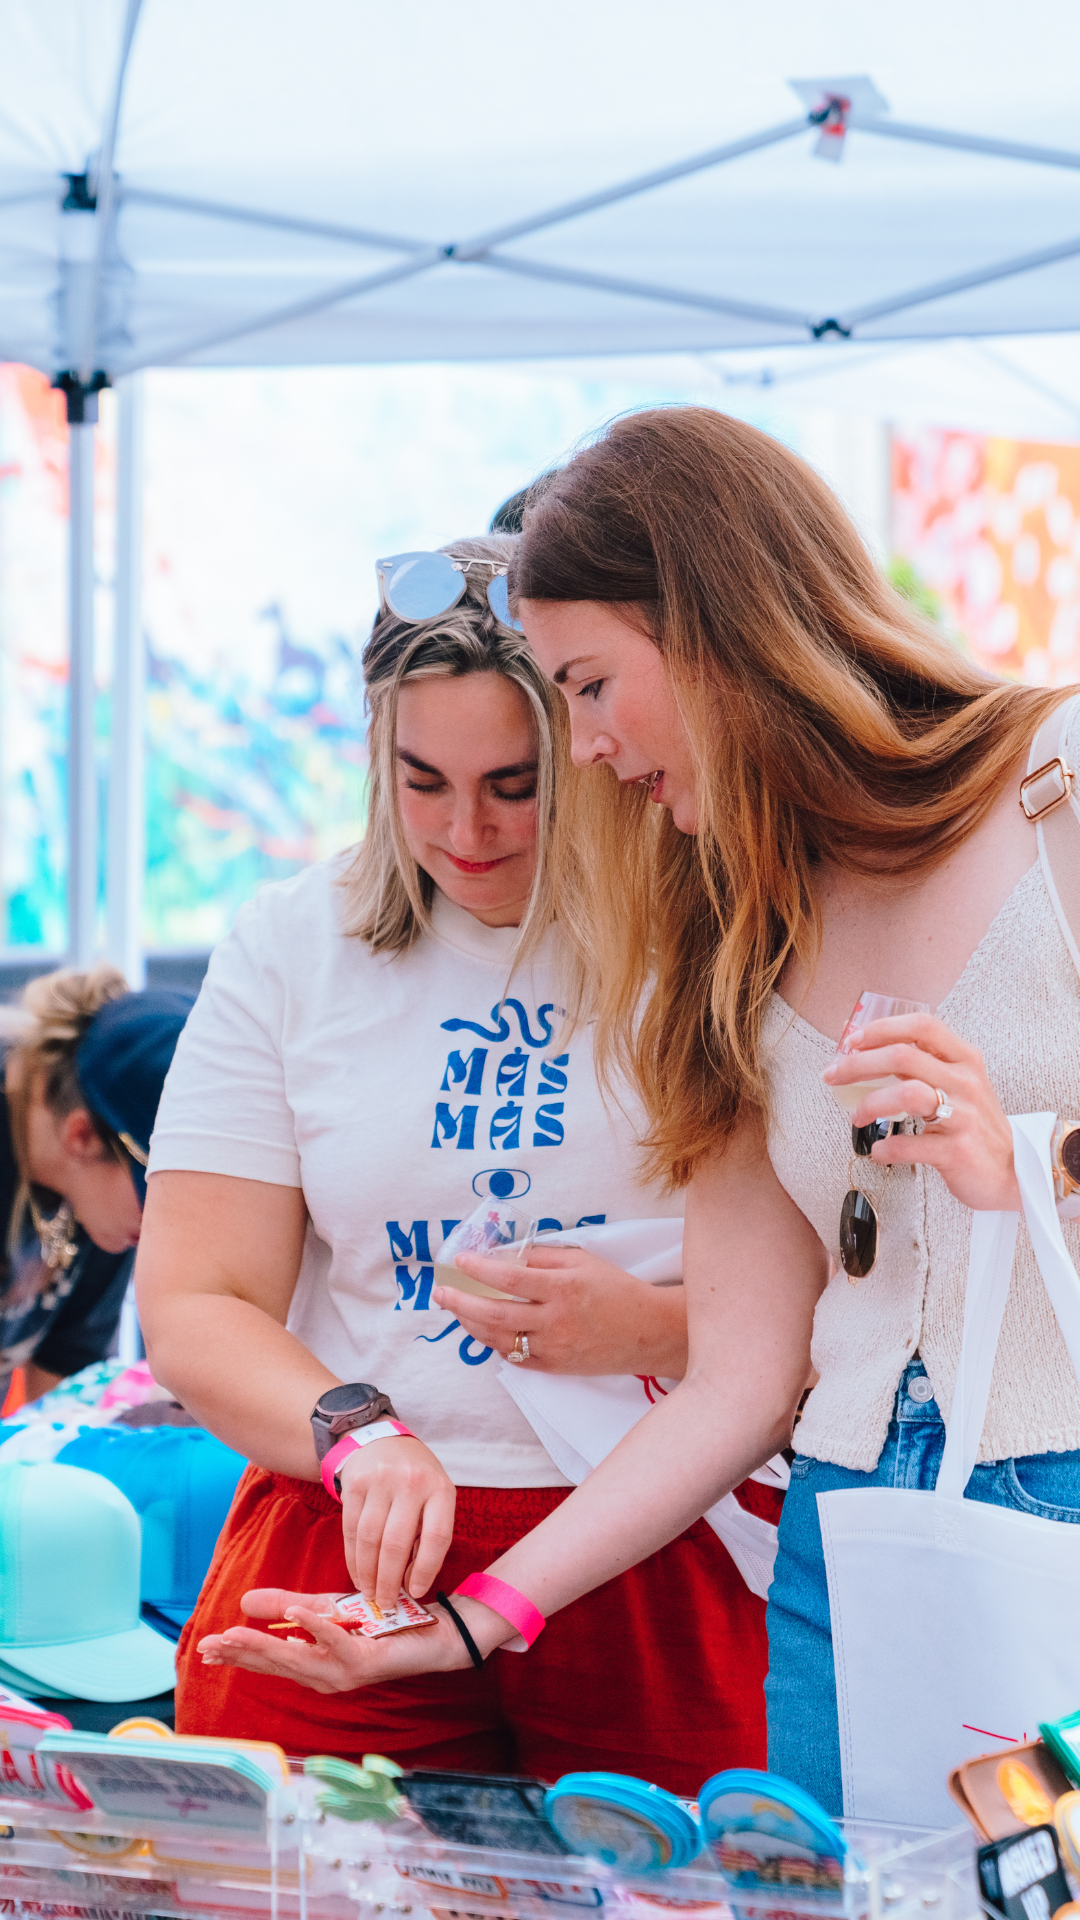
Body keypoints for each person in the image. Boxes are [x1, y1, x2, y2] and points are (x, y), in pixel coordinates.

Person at [196, 411, 1080, 1818]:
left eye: (592, 688)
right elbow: (737, 1381)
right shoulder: (744, 919)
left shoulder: (1056, 784)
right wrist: (483, 1616)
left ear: (718, 619)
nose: (590, 749)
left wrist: (1041, 1161)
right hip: (848, 1548)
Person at [137, 533, 782, 1788]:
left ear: (598, 748)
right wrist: (354, 1432)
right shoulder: (290, 941)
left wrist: (648, 1330)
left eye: (516, 783)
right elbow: (198, 1302)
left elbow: (833, 1311)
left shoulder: (713, 925)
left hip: (659, 1535)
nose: (466, 831)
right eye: (421, 780)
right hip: (352, 1539)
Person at [0, 967, 192, 1407]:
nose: (172, 1221)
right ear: (81, 1138)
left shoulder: (98, 1201)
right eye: (159, 1191)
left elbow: (55, 1406)